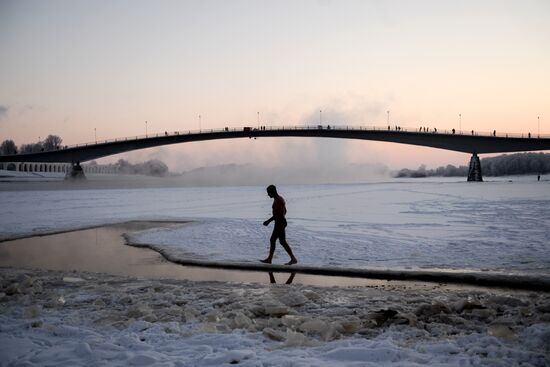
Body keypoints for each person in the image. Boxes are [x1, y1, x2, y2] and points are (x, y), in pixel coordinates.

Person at [261, 185, 298, 265]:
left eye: (268, 193)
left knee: (273, 239)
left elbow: (278, 214)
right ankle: (293, 259)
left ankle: (269, 259)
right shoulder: (278, 199)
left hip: (280, 223)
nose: (268, 195)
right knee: (282, 241)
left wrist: (268, 221)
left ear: (272, 191)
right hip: (280, 222)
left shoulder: (278, 200)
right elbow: (285, 211)